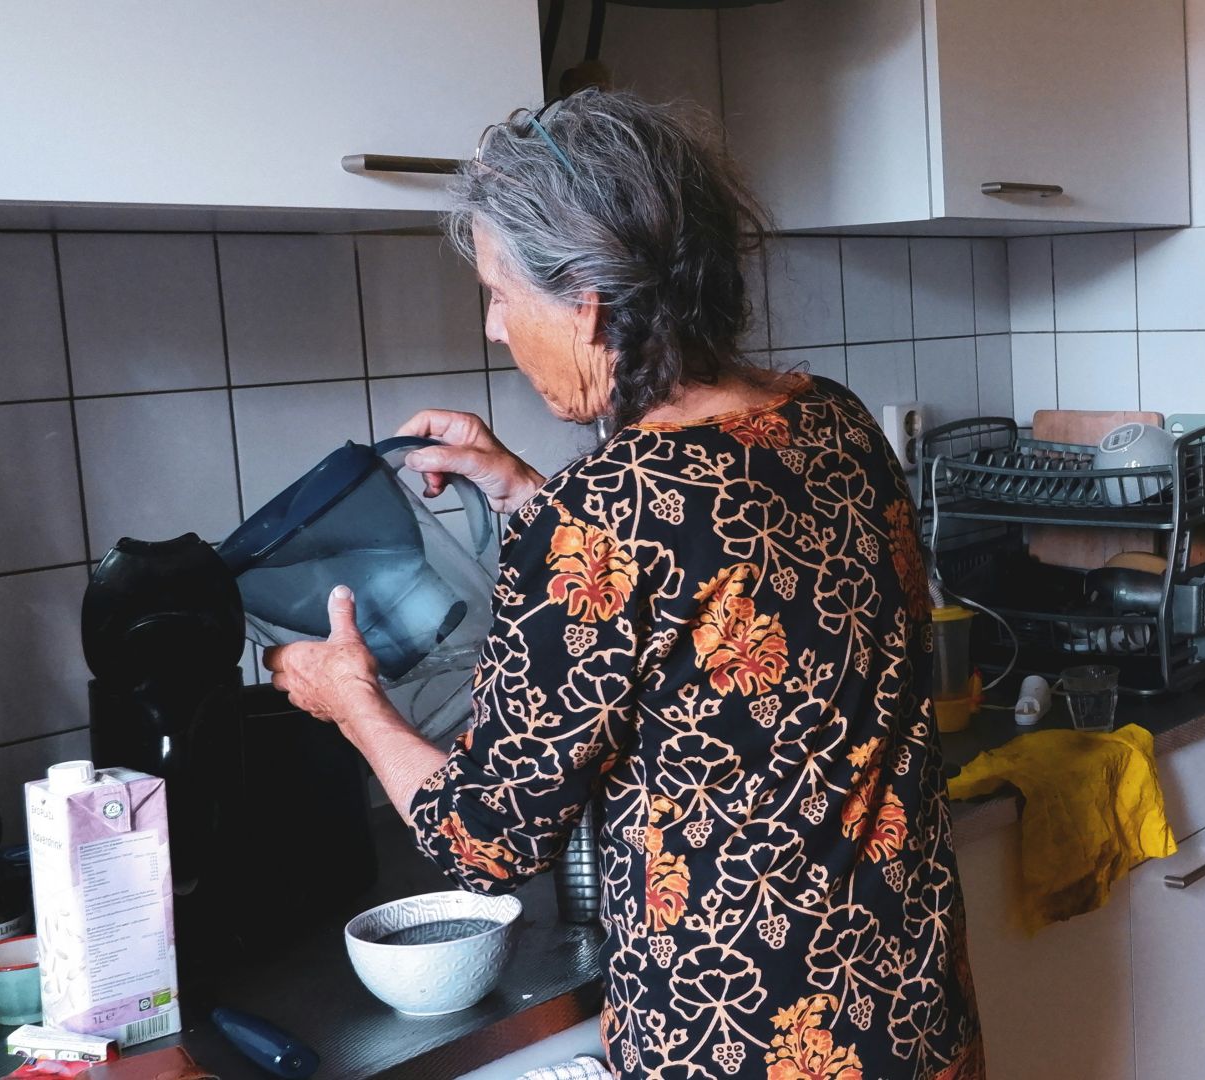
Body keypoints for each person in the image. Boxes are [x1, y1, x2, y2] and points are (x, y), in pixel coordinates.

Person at [263, 89, 983, 1079]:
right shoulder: (832, 420)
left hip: (746, 1038)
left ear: (588, 306)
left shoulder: (604, 512)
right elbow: (712, 587)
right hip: (908, 1005)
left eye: (502, 293)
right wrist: (523, 491)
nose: (493, 328)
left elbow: (484, 839)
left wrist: (351, 701)